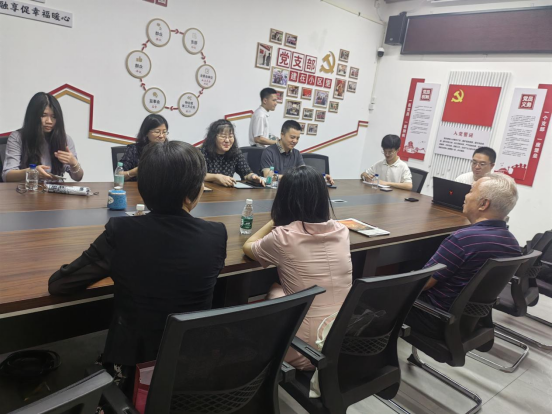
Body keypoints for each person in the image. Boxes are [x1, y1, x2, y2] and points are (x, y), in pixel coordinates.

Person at [48, 141, 227, 394]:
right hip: (192, 367)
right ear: (193, 192)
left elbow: (60, 284)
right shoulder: (216, 234)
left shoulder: (122, 231)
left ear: (143, 190)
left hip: (131, 370)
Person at [243, 165, 352, 370]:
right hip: (345, 337)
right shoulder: (342, 231)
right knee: (278, 289)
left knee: (274, 292)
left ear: (284, 199)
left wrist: (276, 218)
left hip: (306, 349)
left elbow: (248, 247)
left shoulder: (284, 236)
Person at [405, 173, 521, 339]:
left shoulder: (463, 239)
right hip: (467, 323)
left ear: (483, 204)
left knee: (372, 298)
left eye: (471, 191)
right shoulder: (513, 244)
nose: (465, 196)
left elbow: (422, 284)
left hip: (433, 317)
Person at [2, 92, 83, 182]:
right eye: (43, 115)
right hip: (28, 189)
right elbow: (7, 176)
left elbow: (78, 177)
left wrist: (74, 163)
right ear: (33, 116)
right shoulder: (17, 137)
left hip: (56, 190)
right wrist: (32, 172)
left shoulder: (65, 139)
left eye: (54, 116)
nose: (49, 121)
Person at [260, 120, 334, 184]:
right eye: (292, 137)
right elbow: (267, 176)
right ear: (282, 135)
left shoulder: (296, 153)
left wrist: (322, 177)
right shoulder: (269, 152)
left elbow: (305, 174)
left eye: (297, 138)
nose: (295, 141)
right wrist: (293, 177)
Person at [201, 119, 264, 187]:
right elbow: (198, 175)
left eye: (230, 136)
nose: (227, 140)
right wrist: (217, 177)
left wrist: (253, 177)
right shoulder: (203, 152)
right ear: (213, 138)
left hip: (226, 191)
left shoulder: (235, 152)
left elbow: (246, 173)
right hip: (206, 190)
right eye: (223, 136)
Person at [120, 114, 169, 181]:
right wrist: (134, 172)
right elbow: (119, 175)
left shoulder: (169, 150)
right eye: (157, 132)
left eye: (164, 132)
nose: (161, 136)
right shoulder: (134, 150)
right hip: (136, 186)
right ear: (146, 132)